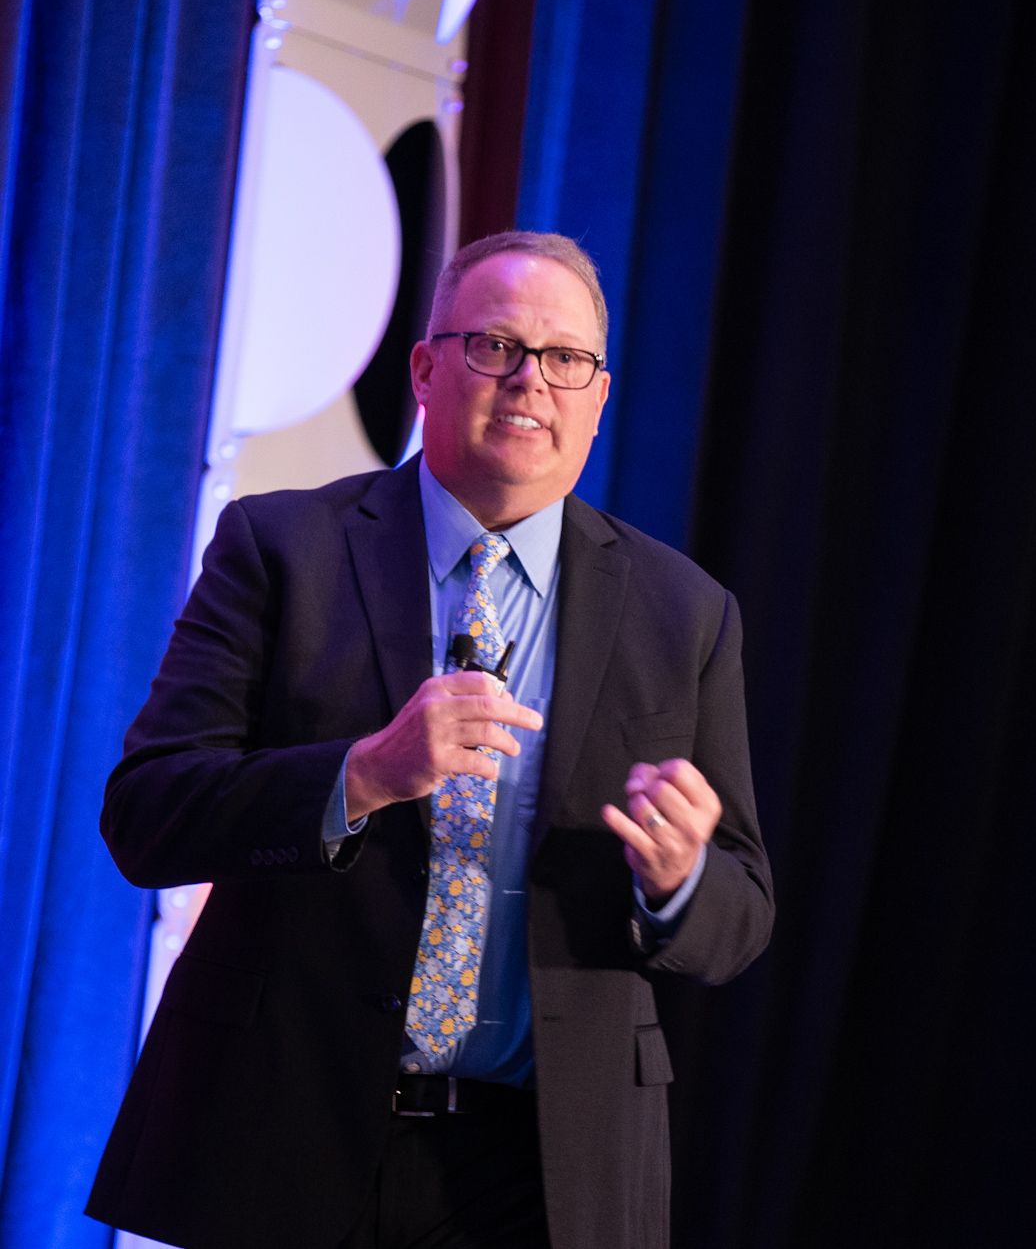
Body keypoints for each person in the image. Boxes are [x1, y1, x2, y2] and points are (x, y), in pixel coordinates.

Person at [87, 231, 773, 1249]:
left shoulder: (685, 613)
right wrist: (362, 774)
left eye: (565, 359)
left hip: (545, 1173)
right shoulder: (282, 548)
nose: (530, 380)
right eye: (496, 346)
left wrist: (678, 880)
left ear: (598, 398)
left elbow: (742, 915)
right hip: (286, 1132)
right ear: (423, 369)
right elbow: (148, 813)